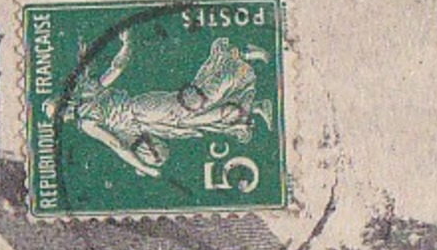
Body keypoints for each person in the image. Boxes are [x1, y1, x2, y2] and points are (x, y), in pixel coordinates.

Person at [45, 29, 273, 178]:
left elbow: (117, 145)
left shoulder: (88, 104)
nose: (62, 116)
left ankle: (239, 56)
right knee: (198, 121)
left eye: (59, 110)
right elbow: (119, 142)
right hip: (145, 124)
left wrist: (126, 44)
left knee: (197, 103)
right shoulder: (85, 117)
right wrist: (144, 165)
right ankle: (256, 107)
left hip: (142, 109)